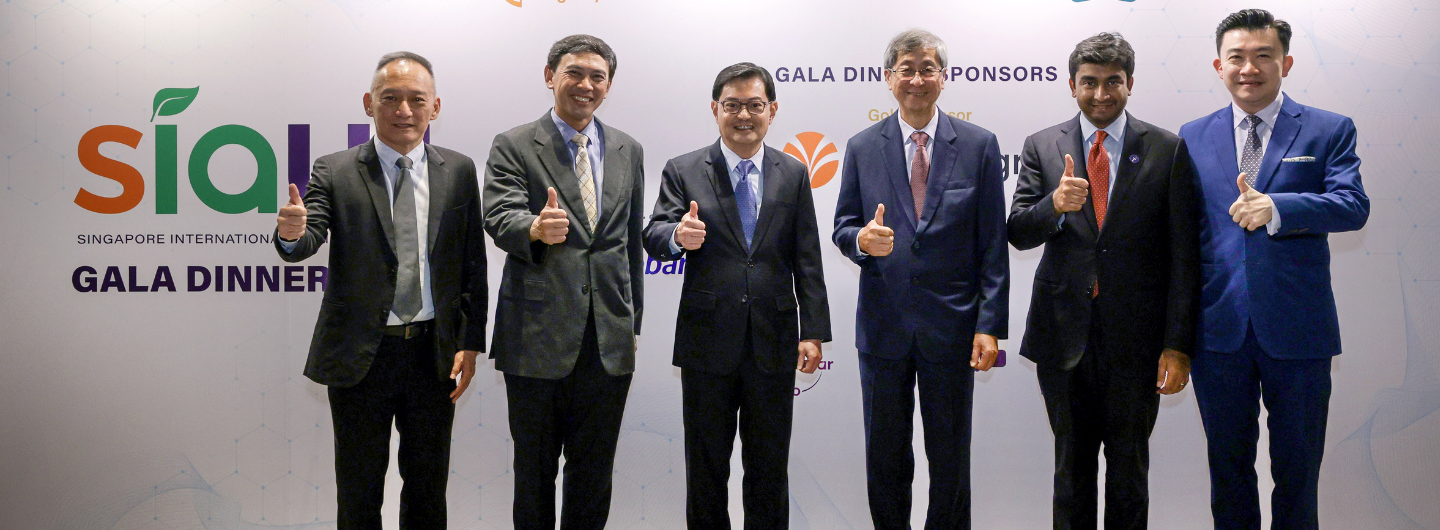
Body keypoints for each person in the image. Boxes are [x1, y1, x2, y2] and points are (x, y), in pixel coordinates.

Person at [273, 51, 487, 529]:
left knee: (428, 491)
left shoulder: (459, 170)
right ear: (369, 103)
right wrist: (291, 234)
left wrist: (470, 342)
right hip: (360, 357)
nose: (403, 110)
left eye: (417, 99)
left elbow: (473, 263)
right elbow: (306, 240)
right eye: (390, 98)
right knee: (358, 492)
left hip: (433, 355)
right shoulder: (335, 169)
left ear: (435, 107)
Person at [1178, 9, 1369, 529]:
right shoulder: (1191, 136)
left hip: (1299, 331)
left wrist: (1278, 208)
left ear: (1285, 63)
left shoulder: (1329, 129)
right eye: (1237, 57)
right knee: (1229, 472)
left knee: (1298, 472)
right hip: (1218, 333)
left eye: (1263, 56)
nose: (1249, 68)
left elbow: (1352, 206)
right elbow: (1183, 236)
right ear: (1219, 66)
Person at [1007, 32, 1199, 530]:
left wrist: (1177, 345)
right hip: (1063, 337)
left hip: (1138, 342)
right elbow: (1018, 232)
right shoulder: (1041, 145)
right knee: (1071, 472)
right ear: (1072, 85)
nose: (1100, 94)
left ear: (1130, 83)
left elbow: (1184, 257)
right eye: (1089, 82)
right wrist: (1054, 205)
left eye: (1113, 81)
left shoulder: (1167, 148)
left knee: (1130, 473)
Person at [831, 29, 1008, 530]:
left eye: (927, 68)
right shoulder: (862, 146)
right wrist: (861, 240)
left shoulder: (978, 144)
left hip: (953, 328)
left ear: (943, 78)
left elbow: (993, 245)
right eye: (905, 69)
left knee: (950, 458)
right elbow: (843, 226)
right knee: (885, 458)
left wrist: (989, 325)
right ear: (889, 78)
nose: (916, 79)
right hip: (883, 327)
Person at [642, 62, 831, 529]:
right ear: (715, 109)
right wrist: (677, 236)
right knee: (706, 467)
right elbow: (654, 232)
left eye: (754, 105)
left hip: (774, 339)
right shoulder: (684, 168)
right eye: (732, 105)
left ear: (772, 110)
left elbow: (807, 257)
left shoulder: (793, 172)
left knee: (769, 468)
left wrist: (813, 332)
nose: (743, 115)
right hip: (707, 340)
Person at [482, 34, 646, 530]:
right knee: (534, 473)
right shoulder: (514, 144)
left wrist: (632, 322)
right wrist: (533, 227)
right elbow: (499, 214)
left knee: (593, 475)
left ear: (609, 86)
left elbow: (628, 244)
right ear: (550, 76)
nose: (585, 85)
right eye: (574, 73)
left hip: (608, 340)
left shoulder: (628, 148)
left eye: (598, 77)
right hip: (535, 337)